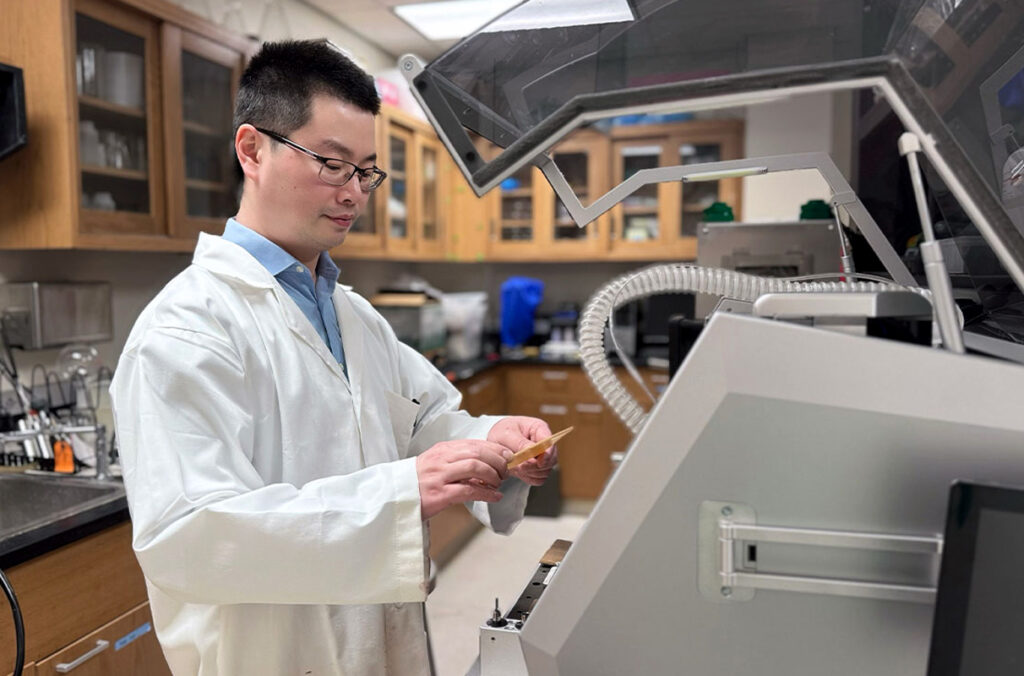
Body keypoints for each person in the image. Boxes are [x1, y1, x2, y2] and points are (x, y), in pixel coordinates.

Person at [110, 39, 557, 676]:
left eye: (367, 170)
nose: (353, 192)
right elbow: (189, 537)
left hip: (384, 645)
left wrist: (497, 441)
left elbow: (429, 424)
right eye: (330, 162)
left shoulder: (356, 317)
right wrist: (401, 493)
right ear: (251, 149)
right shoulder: (186, 329)